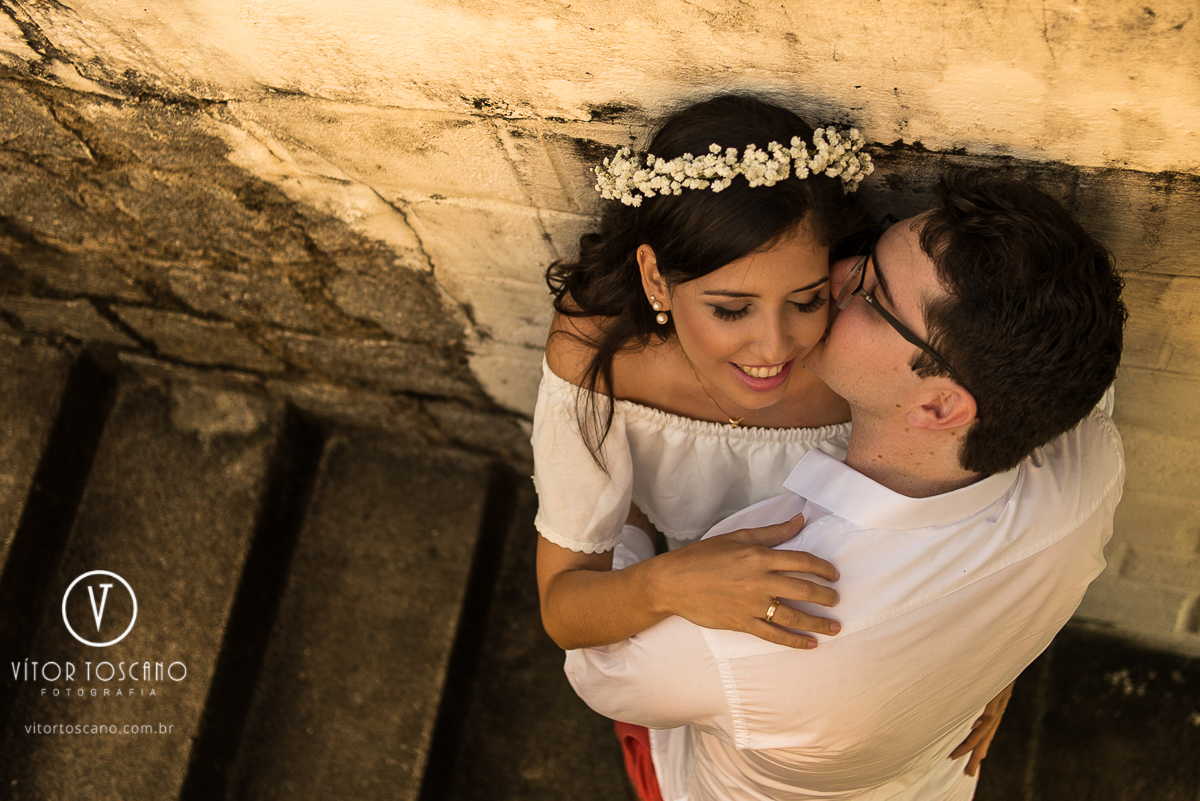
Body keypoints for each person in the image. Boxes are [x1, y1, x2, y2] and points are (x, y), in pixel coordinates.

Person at [565, 171, 1128, 801]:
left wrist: (644, 542)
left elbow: (600, 671)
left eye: (871, 293)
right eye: (876, 243)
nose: (835, 276)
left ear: (940, 407)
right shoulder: (1091, 468)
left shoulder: (759, 625)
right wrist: (998, 662)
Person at [534, 93, 875, 653]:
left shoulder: (865, 356)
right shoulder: (599, 349)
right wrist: (668, 584)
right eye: (731, 309)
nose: (775, 347)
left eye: (808, 300)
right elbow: (564, 611)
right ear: (656, 279)